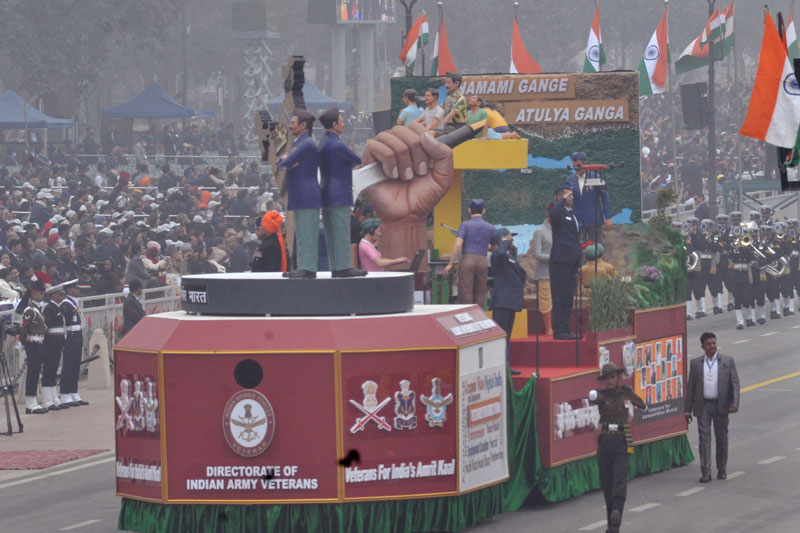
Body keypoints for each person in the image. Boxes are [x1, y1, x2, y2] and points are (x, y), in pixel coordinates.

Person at [588, 363, 647, 533]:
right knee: (607, 483)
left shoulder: (626, 393)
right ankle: (611, 525)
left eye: (612, 377)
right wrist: (593, 396)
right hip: (606, 439)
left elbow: (642, 404)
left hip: (622, 439)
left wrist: (637, 403)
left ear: (618, 378)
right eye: (606, 378)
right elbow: (593, 397)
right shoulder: (601, 395)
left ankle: (616, 517)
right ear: (603, 381)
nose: (610, 381)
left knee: (619, 479)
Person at [318, 107, 367, 278]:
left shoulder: (323, 142)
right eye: (341, 120)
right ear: (334, 124)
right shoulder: (337, 144)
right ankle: (345, 266)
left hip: (326, 192)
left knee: (331, 233)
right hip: (340, 194)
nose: (343, 123)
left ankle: (336, 266)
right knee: (341, 231)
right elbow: (357, 160)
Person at [685, 332, 740, 483]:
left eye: (714, 343)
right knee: (704, 438)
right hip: (703, 406)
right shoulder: (696, 364)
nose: (712, 346)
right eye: (709, 344)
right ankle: (706, 472)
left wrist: (735, 403)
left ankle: (721, 469)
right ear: (702, 347)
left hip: (721, 405)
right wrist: (687, 410)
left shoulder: (727, 361)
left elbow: (735, 383)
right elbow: (691, 388)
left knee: (721, 438)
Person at [277, 109, 320, 279]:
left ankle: (308, 268)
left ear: (303, 125)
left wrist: (286, 159)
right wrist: (286, 159)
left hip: (306, 194)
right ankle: (302, 266)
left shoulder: (306, 143)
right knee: (302, 233)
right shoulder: (300, 142)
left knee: (307, 232)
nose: (290, 126)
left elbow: (285, 161)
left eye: (293, 123)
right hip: (301, 194)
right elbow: (285, 161)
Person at [489, 228, 526, 376]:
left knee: (507, 337)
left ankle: (506, 366)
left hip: (511, 301)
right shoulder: (498, 256)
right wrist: (504, 243)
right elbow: (497, 253)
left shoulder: (509, 256)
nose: (513, 241)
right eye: (510, 238)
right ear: (502, 241)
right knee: (501, 337)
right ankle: (499, 366)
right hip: (502, 302)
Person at [444, 199, 495, 306]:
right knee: (481, 293)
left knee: (465, 292)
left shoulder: (465, 225)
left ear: (469, 210)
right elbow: (494, 246)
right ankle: (479, 318)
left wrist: (450, 264)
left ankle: (467, 318)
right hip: (483, 261)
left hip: (467, 260)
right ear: (484, 211)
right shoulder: (490, 227)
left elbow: (458, 244)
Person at [549, 182, 582, 340]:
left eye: (572, 195)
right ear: (559, 196)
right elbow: (553, 213)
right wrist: (561, 200)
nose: (571, 197)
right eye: (568, 195)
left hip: (572, 261)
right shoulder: (558, 212)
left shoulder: (571, 213)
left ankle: (566, 328)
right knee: (560, 297)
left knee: (568, 297)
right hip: (560, 261)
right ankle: (559, 329)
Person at [567, 152, 613, 245]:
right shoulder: (570, 180)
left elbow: (605, 197)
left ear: (584, 163)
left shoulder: (596, 177)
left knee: (597, 247)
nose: (576, 168)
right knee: (578, 248)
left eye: (578, 165)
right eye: (574, 165)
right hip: (578, 220)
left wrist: (608, 217)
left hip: (594, 219)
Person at [19, 280, 48, 414]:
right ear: (34, 294)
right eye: (40, 293)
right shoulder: (30, 310)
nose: (42, 296)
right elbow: (24, 328)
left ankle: (33, 401)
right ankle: (30, 403)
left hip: (39, 344)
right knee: (32, 373)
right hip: (32, 344)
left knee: (35, 373)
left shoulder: (37, 309)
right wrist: (23, 343)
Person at [58, 279, 88, 407]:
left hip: (77, 335)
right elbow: (65, 324)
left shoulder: (74, 303)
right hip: (70, 336)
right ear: (69, 290)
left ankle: (74, 392)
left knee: (76, 365)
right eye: (76, 288)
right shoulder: (66, 304)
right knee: (69, 365)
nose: (78, 290)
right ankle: (65, 393)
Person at [42, 284, 67, 411]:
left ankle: (55, 399)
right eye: (60, 294)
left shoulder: (58, 308)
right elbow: (45, 328)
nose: (63, 296)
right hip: (50, 343)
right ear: (54, 295)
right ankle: (48, 400)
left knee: (54, 371)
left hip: (57, 343)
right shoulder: (49, 309)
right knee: (49, 371)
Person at [532, 203, 554, 336]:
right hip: (544, 272)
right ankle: (548, 329)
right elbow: (538, 254)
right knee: (545, 300)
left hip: (558, 272)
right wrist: (556, 258)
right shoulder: (539, 231)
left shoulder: (558, 230)